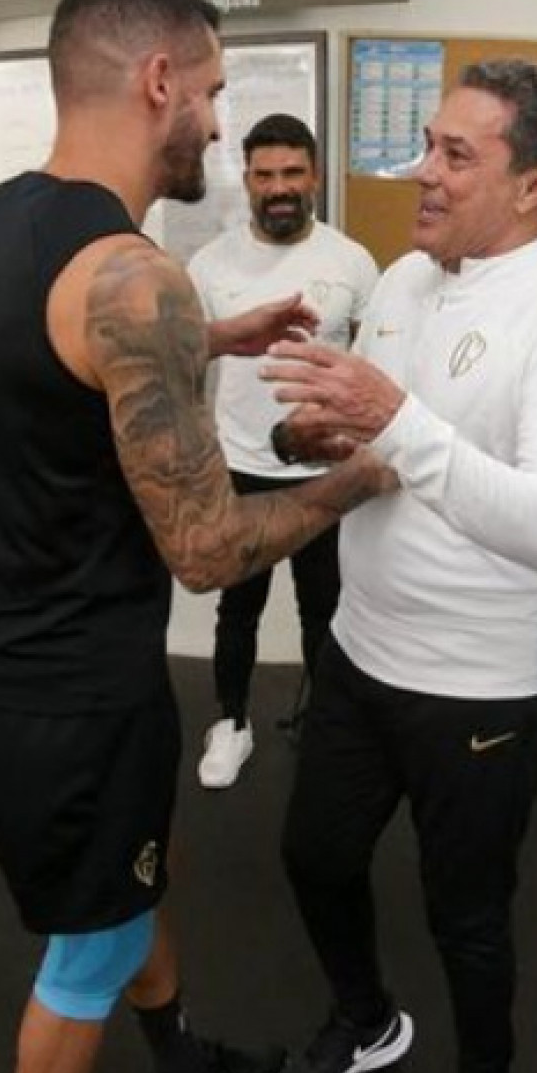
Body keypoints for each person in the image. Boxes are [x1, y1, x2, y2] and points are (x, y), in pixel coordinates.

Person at [0, 0, 393, 1073]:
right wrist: (366, 471)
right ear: (156, 82)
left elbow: (54, 378)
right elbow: (202, 546)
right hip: (68, 684)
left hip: (18, 651)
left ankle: (181, 1072)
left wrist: (212, 341)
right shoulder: (137, 278)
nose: (212, 119)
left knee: (137, 880)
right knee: (87, 940)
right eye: (208, 90)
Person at [261, 59, 537, 1073]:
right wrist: (332, 439)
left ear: (532, 185)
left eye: (456, 154)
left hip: (484, 687)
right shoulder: (410, 279)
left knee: (463, 915)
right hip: (363, 652)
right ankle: (366, 1021)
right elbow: (390, 449)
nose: (422, 169)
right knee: (312, 857)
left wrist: (395, 422)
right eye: (428, 141)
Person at [186, 111, 379, 788]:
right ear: (246, 179)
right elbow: (188, 368)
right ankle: (230, 723)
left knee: (324, 608)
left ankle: (322, 727)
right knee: (237, 608)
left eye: (291, 172)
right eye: (264, 174)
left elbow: (375, 365)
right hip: (239, 466)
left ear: (314, 176)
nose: (278, 187)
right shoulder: (207, 265)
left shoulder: (352, 260)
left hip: (323, 470)